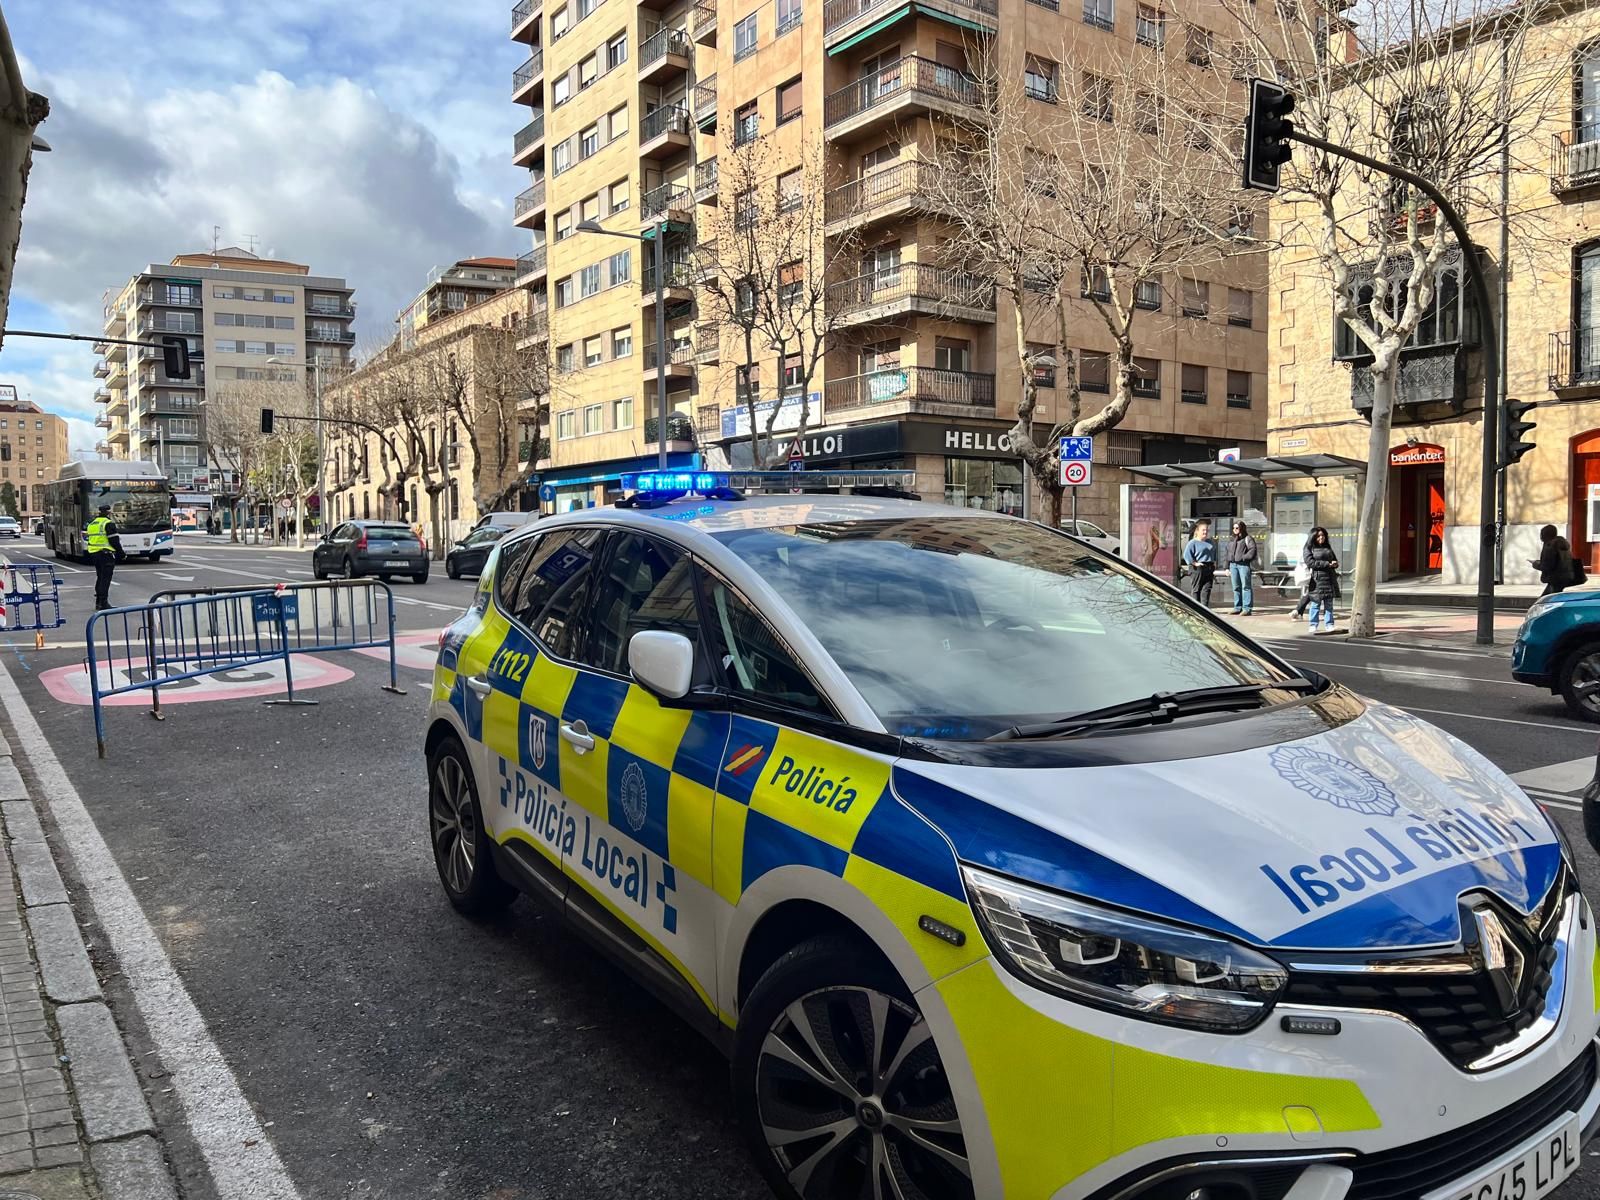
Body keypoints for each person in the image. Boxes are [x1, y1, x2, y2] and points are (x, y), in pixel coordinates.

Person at [84, 504, 123, 612]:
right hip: (105, 554)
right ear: (108, 513)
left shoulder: (92, 523)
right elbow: (114, 541)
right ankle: (103, 603)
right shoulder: (108, 523)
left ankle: (98, 603)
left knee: (100, 577)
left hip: (94, 553)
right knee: (105, 579)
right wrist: (121, 553)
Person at [1303, 526, 1340, 634]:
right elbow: (1310, 563)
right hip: (1317, 580)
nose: (1321, 538)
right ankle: (1313, 624)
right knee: (1315, 603)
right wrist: (1327, 564)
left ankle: (1329, 624)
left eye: (1323, 535)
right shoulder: (1309, 548)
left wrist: (1335, 564)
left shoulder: (1328, 547)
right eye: (1318, 536)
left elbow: (1334, 559)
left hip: (1329, 578)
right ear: (1313, 537)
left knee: (1329, 604)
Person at [1534, 524, 1581, 596]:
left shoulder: (1550, 546)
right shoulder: (1561, 544)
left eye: (1542, 534)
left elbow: (1548, 566)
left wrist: (1536, 564)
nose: (1540, 537)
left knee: (1546, 600)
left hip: (1555, 578)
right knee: (1549, 598)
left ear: (1546, 535)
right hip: (1564, 577)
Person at [1225, 519, 1257, 616]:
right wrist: (1226, 567)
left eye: (1237, 528)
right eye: (1233, 528)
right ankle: (1237, 607)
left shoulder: (1247, 538)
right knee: (1236, 587)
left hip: (1243, 565)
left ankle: (1247, 608)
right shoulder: (1231, 539)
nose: (1235, 529)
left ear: (1241, 528)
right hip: (1233, 565)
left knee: (1246, 587)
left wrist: (1243, 557)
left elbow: (1253, 550)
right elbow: (1227, 554)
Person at [1182, 520, 1217, 608]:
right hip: (1197, 568)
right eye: (1203, 530)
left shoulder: (1210, 542)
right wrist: (1194, 563)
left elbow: (1214, 552)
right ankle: (1196, 608)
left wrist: (1214, 562)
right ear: (1197, 531)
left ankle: (1205, 608)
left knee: (1207, 588)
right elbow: (1186, 555)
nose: (1205, 532)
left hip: (1209, 567)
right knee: (1196, 589)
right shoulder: (1192, 543)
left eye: (1206, 530)